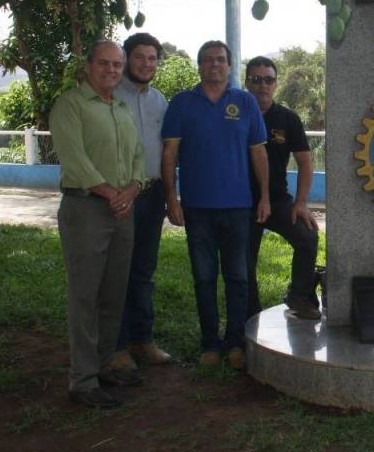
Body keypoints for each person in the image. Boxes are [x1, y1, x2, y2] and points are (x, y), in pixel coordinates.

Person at [161, 40, 270, 370]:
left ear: (230, 65)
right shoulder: (182, 103)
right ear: (199, 66)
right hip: (197, 208)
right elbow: (169, 154)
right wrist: (171, 198)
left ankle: (235, 343)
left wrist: (264, 197)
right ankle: (209, 344)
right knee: (204, 277)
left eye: (221, 60)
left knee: (238, 278)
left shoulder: (245, 102)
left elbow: (259, 153)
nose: (215, 65)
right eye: (208, 60)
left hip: (238, 207)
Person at [50, 40, 144, 409]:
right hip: (87, 208)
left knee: (113, 293)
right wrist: (110, 192)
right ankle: (83, 380)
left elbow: (138, 156)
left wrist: (132, 189)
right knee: (85, 295)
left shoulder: (121, 108)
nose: (111, 70)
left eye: (117, 65)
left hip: (122, 210)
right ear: (88, 66)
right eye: (104, 63)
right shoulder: (70, 105)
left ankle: (104, 366)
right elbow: (74, 159)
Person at [110, 33, 172, 373]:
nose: (146, 64)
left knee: (144, 270)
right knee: (118, 269)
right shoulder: (109, 95)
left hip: (153, 194)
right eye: (139, 57)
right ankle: (117, 346)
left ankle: (142, 340)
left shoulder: (160, 101)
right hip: (119, 195)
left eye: (152, 58)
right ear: (126, 58)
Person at [244, 56, 320, 320]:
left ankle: (298, 296)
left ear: (276, 84)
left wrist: (300, 203)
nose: (262, 85)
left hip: (277, 201)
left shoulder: (287, 118)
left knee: (307, 236)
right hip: (240, 202)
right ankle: (249, 317)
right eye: (256, 79)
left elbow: (305, 162)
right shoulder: (236, 115)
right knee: (245, 262)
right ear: (247, 82)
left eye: (269, 80)